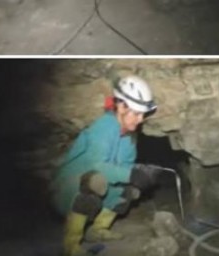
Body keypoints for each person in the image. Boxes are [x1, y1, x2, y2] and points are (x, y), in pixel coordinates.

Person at [51, 75, 163, 256]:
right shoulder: (104, 126)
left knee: (130, 191)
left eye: (143, 114)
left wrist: (141, 173)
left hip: (98, 185)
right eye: (136, 113)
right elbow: (97, 165)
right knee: (96, 180)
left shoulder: (129, 137)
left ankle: (97, 230)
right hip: (69, 187)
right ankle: (71, 245)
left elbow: (125, 168)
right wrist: (131, 174)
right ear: (120, 106)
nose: (141, 119)